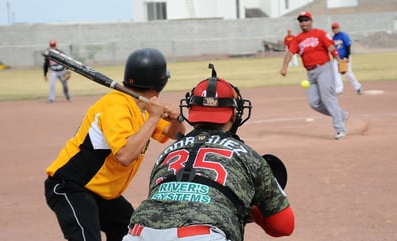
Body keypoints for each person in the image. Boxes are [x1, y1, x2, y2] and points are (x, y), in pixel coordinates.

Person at [122, 65, 295, 241]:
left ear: (191, 109)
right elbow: (283, 226)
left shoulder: (166, 153)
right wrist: (250, 207)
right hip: (201, 236)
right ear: (234, 113)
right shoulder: (247, 155)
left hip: (139, 233)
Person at [44, 48, 186, 241]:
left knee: (131, 234)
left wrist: (176, 119)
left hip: (103, 193)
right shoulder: (116, 105)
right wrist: (154, 116)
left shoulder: (142, 107)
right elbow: (126, 156)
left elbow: (176, 134)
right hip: (71, 186)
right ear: (161, 82)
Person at [280, 11, 349, 140]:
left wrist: (339, 60)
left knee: (328, 98)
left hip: (324, 68)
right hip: (310, 73)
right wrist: (284, 67)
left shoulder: (320, 34)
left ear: (311, 21)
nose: (304, 23)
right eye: (301, 20)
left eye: (306, 20)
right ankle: (341, 115)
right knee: (314, 103)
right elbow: (290, 53)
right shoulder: (298, 39)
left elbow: (331, 48)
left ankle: (340, 129)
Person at [331, 22, 363, 95]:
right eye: (333, 28)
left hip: (345, 57)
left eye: (336, 28)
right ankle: (339, 90)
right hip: (337, 58)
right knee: (336, 74)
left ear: (338, 28)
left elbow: (348, 45)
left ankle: (358, 87)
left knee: (347, 73)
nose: (334, 29)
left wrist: (347, 56)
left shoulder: (343, 35)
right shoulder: (333, 38)